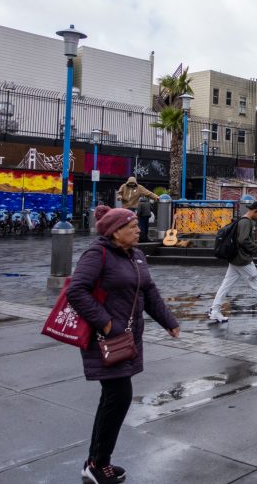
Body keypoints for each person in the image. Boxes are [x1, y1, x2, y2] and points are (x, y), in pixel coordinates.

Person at [67, 205, 180, 484]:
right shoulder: (98, 253)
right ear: (116, 232)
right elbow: (76, 291)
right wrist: (105, 323)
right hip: (106, 338)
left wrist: (169, 321)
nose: (138, 230)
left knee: (113, 399)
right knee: (118, 396)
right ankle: (97, 464)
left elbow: (149, 291)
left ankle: (96, 462)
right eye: (133, 227)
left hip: (128, 337)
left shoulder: (137, 256)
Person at [208, 201, 257, 323]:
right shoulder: (246, 222)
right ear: (256, 211)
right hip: (242, 260)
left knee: (226, 285)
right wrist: (256, 248)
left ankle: (215, 310)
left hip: (235, 258)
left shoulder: (241, 220)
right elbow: (243, 240)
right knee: (256, 283)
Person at [116, 177, 159, 242]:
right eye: (130, 184)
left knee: (135, 223)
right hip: (125, 208)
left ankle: (140, 238)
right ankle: (124, 237)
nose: (132, 185)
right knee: (125, 224)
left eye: (133, 184)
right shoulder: (124, 186)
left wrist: (157, 197)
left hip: (133, 208)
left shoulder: (139, 188)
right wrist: (119, 197)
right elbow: (119, 193)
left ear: (135, 183)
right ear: (127, 183)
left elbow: (148, 193)